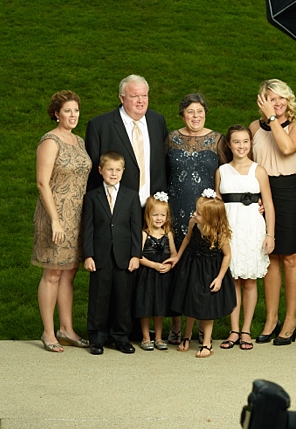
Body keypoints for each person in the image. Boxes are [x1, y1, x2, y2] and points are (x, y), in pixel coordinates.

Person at [250, 79, 296, 345]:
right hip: (264, 190)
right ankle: (271, 319)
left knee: (290, 257)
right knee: (270, 256)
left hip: (290, 190)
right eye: (271, 98)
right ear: (262, 101)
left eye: (281, 98)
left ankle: (290, 319)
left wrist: (272, 118)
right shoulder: (253, 127)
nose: (277, 103)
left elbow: (286, 148)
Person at [32, 90, 91, 352]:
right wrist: (55, 221)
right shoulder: (50, 141)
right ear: (56, 114)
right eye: (67, 111)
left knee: (69, 273)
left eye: (76, 110)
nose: (73, 115)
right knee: (53, 273)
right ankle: (48, 332)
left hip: (77, 215)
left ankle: (66, 329)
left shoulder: (79, 142)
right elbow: (42, 182)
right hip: (55, 215)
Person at [165, 92, 221, 345]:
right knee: (177, 270)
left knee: (200, 272)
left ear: (205, 113)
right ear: (182, 114)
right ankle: (176, 325)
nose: (195, 116)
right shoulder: (170, 139)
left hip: (204, 218)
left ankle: (201, 324)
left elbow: (231, 173)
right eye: (190, 112)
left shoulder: (217, 140)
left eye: (199, 111)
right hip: (175, 212)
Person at [216, 125, 274, 351]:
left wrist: (270, 234)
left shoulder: (258, 171)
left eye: (245, 142)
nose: (241, 146)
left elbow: (268, 203)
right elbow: (218, 205)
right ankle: (233, 330)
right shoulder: (222, 171)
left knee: (249, 280)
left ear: (251, 144)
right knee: (232, 281)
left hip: (252, 229)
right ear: (229, 145)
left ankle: (246, 330)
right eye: (236, 142)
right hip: (230, 229)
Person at [82, 151, 143, 355]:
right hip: (100, 255)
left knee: (122, 297)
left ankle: (120, 337)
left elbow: (136, 228)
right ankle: (97, 337)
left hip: (124, 256)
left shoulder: (131, 196)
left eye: (118, 170)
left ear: (123, 172)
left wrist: (136, 255)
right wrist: (88, 255)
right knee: (99, 297)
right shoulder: (92, 197)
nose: (114, 173)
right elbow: (88, 228)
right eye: (110, 169)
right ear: (100, 171)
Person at [168, 191, 236, 358]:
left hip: (210, 270)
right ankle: (187, 335)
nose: (194, 214)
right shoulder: (194, 223)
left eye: (198, 213)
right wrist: (178, 256)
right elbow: (187, 240)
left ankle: (206, 342)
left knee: (207, 305)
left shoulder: (219, 234)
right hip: (192, 266)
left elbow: (227, 255)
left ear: (211, 218)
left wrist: (219, 278)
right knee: (190, 300)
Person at [85, 74, 168, 203]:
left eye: (144, 95)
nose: (141, 101)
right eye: (134, 96)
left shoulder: (157, 121)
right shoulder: (100, 126)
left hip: (153, 209)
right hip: (118, 209)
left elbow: (163, 161)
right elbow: (94, 172)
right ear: (122, 98)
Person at [134, 193, 178, 351]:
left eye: (162, 215)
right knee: (146, 306)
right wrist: (154, 265)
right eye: (155, 215)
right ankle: (146, 337)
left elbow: (174, 254)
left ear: (167, 216)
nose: (159, 218)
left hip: (163, 276)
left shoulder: (168, 235)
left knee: (159, 306)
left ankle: (158, 337)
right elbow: (138, 256)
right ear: (148, 215)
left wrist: (170, 265)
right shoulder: (144, 234)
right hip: (147, 275)